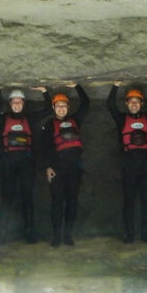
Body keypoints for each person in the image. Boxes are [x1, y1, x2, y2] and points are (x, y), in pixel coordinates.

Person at [0, 85, 46, 244]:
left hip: (26, 161)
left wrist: (45, 92)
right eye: (14, 102)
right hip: (8, 161)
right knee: (6, 198)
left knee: (27, 198)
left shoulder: (29, 118)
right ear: (10, 103)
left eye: (19, 102)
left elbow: (48, 110)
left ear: (24, 103)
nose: (17, 105)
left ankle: (29, 232)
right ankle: (2, 233)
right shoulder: (3, 117)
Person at [38, 82, 90, 247]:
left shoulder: (76, 119)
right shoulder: (49, 125)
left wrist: (76, 85)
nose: (61, 109)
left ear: (68, 107)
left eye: (64, 106)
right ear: (54, 107)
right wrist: (48, 167)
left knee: (72, 203)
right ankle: (56, 236)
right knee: (57, 204)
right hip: (58, 170)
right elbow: (44, 148)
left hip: (74, 170)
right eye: (58, 106)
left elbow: (86, 103)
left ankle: (68, 235)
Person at [107, 83, 147, 243]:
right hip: (128, 163)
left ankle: (145, 233)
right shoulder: (122, 118)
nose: (134, 104)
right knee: (129, 201)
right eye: (131, 101)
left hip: (146, 164)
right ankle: (129, 233)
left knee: (146, 201)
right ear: (126, 103)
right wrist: (115, 86)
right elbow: (110, 105)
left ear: (142, 103)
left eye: (137, 101)